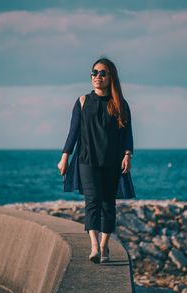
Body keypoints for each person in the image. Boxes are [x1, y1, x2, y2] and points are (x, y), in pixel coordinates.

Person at [58, 57, 135, 263]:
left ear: (111, 78)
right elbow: (73, 132)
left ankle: (104, 245)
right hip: (87, 159)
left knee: (108, 204)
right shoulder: (83, 101)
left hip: (112, 160)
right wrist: (64, 156)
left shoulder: (120, 104)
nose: (97, 77)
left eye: (102, 73)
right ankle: (94, 246)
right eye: (94, 73)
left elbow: (127, 133)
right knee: (92, 201)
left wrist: (127, 155)